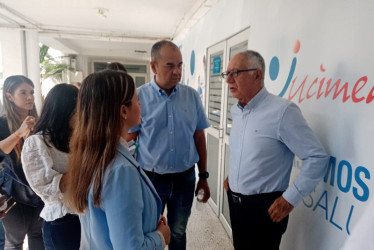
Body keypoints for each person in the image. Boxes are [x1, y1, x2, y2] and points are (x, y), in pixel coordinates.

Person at [222, 51, 329, 250]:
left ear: (257, 74)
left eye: (235, 73)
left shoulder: (282, 111)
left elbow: (317, 157)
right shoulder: (236, 111)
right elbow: (249, 150)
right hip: (235, 202)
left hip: (264, 208)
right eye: (226, 73)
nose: (228, 80)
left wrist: (291, 198)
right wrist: (234, 176)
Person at [64, 70, 170, 249]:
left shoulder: (91, 155)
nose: (140, 105)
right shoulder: (120, 170)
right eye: (137, 100)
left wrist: (148, 219)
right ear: (123, 110)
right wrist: (160, 236)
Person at [126, 40, 210, 250]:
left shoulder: (191, 97)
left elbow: (199, 138)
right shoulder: (138, 98)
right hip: (151, 179)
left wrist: (204, 177)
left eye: (180, 65)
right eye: (170, 65)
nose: (177, 71)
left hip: (185, 179)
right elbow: (129, 141)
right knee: (149, 232)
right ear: (153, 66)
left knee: (178, 232)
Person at [21, 84, 80, 250]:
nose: (82, 116)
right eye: (76, 111)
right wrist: (85, 164)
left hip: (87, 216)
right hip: (62, 222)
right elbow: (49, 189)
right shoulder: (37, 143)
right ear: (62, 111)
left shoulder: (78, 139)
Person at [0, 75, 44, 250]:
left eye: (32, 92)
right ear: (10, 96)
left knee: (38, 238)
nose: (30, 97)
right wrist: (19, 132)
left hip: (40, 191)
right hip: (14, 193)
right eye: (23, 92)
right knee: (14, 242)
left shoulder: (40, 122)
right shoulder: (2, 124)